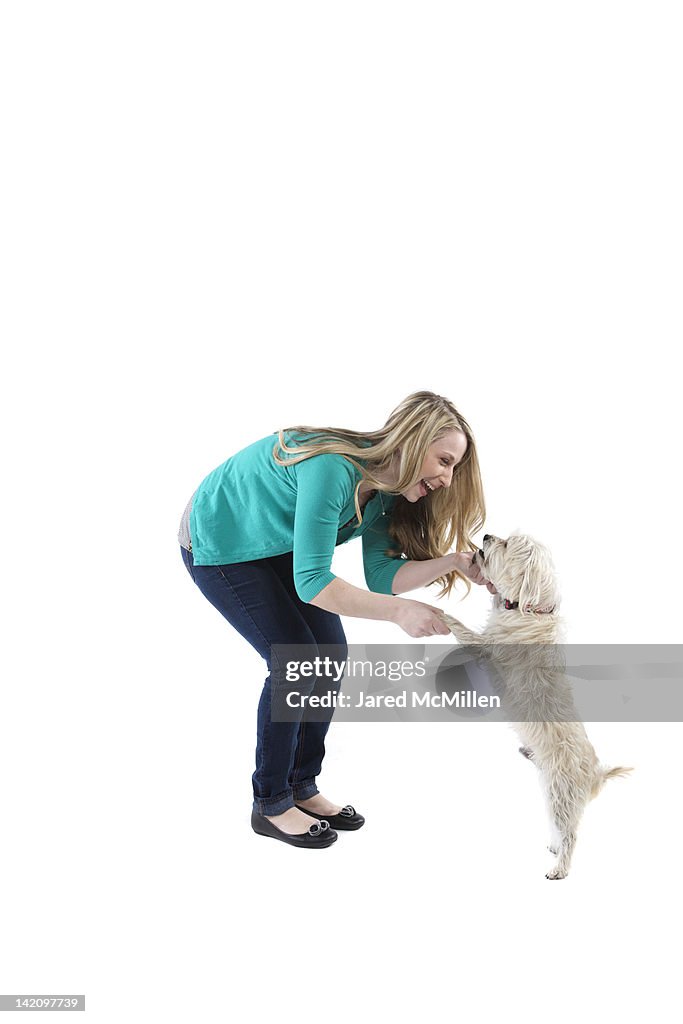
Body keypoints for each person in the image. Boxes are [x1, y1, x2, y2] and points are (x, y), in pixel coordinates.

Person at [178, 391, 492, 849]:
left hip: (272, 543)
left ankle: (302, 786)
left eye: (453, 468)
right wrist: (400, 614)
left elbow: (384, 577)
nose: (446, 478)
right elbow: (313, 582)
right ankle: (270, 802)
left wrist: (454, 562)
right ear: (412, 439)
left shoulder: (383, 496)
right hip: (219, 539)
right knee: (295, 659)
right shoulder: (333, 469)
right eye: (444, 461)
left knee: (329, 656)